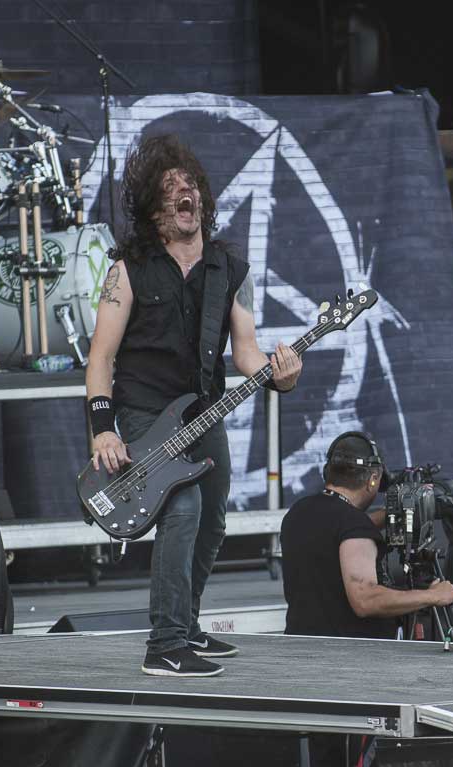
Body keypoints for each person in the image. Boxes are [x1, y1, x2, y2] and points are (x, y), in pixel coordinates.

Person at [85, 133, 302, 677]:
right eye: (170, 188)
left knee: (212, 523)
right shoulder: (127, 270)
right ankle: (164, 644)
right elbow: (100, 358)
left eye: (190, 185)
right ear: (153, 211)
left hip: (203, 412)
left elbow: (247, 354)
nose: (184, 194)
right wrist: (103, 430)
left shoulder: (229, 270)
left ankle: (187, 625)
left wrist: (282, 376)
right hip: (143, 411)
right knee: (181, 511)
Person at [280, 431, 453, 767]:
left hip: (303, 667)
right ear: (373, 479)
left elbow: (338, 528)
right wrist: (432, 595)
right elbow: (364, 598)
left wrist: (386, 518)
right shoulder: (354, 528)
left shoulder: (299, 513)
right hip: (349, 676)